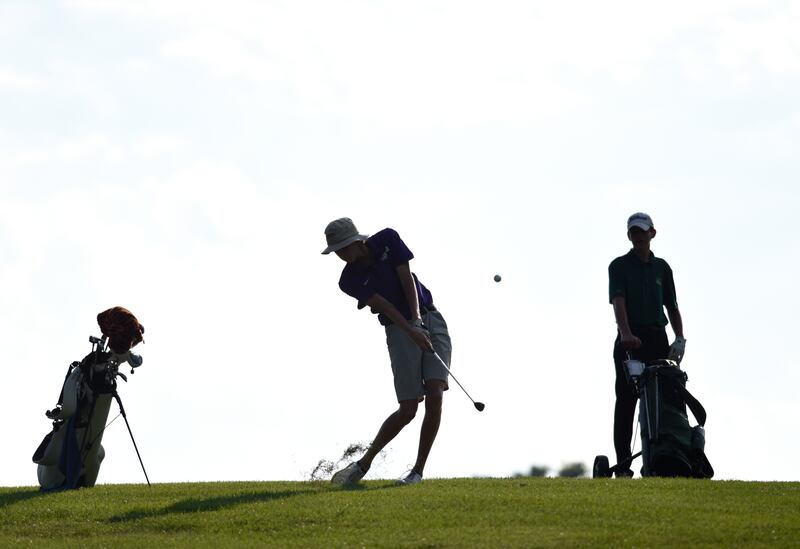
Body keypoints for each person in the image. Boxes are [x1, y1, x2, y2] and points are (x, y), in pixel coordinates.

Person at [321, 217, 452, 486]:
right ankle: (363, 464)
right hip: (397, 329)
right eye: (337, 252)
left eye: (344, 248)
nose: (342, 255)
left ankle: (417, 472)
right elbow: (386, 307)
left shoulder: (388, 239)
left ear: (357, 241)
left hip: (430, 316)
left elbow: (408, 281)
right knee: (408, 409)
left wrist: (418, 321)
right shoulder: (348, 280)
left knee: (436, 394)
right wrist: (411, 330)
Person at [608, 212, 686, 477]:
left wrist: (679, 338)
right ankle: (623, 465)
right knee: (628, 399)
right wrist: (626, 333)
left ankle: (663, 459)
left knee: (663, 398)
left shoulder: (662, 268)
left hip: (657, 338)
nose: (639, 236)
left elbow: (672, 306)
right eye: (634, 232)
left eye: (643, 232)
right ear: (629, 236)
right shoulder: (619, 266)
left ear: (652, 233)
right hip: (630, 338)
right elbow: (619, 303)